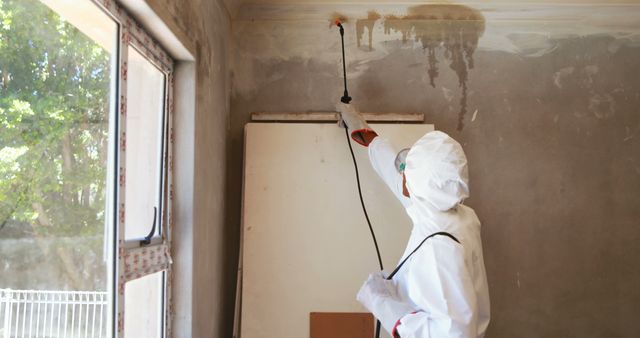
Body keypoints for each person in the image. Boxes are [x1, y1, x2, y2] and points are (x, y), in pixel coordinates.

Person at [337, 103, 490, 338]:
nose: (403, 173)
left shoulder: (439, 248)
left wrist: (382, 302)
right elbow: (400, 182)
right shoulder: (458, 215)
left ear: (420, 184)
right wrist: (371, 138)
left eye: (408, 171)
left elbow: (454, 334)